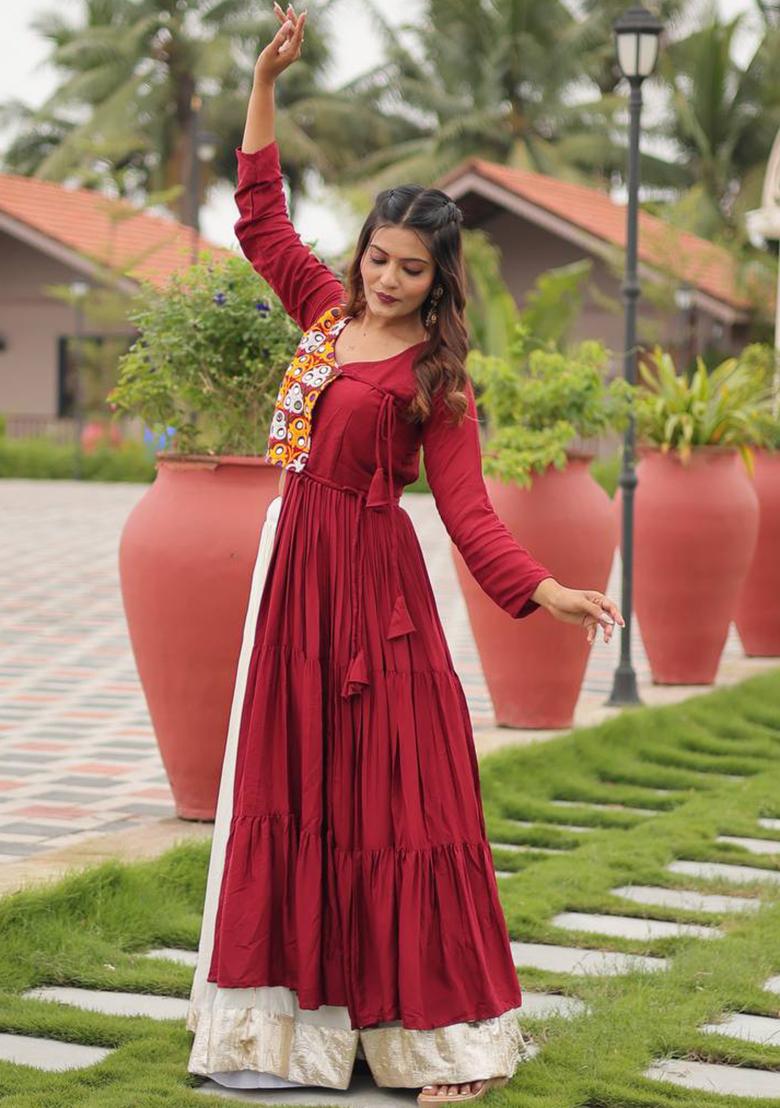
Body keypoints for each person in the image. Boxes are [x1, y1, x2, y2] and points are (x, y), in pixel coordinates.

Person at [186, 4, 625, 1103]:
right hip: (294, 585)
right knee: (298, 796)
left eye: (411, 269)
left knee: (407, 806)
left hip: (375, 599)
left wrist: (548, 590)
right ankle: (294, 1038)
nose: (387, 280)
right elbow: (257, 217)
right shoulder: (323, 314)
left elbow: (470, 515)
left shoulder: (440, 381)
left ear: (442, 280)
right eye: (378, 258)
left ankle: (446, 1045)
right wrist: (263, 84)